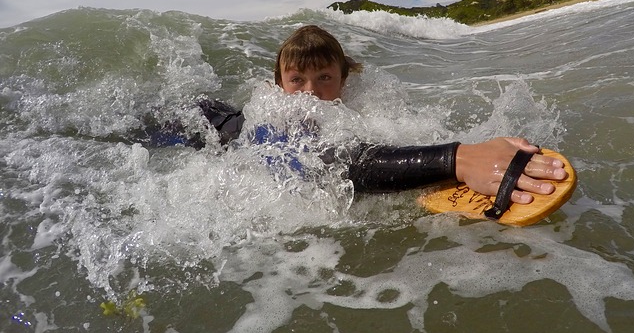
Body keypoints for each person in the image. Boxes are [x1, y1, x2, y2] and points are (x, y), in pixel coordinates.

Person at [193, 25, 568, 210]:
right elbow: (343, 166)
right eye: (296, 80)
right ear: (278, 85)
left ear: (344, 78)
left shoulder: (353, 107)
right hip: (210, 123)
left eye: (324, 78)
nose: (310, 91)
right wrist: (458, 159)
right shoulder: (276, 117)